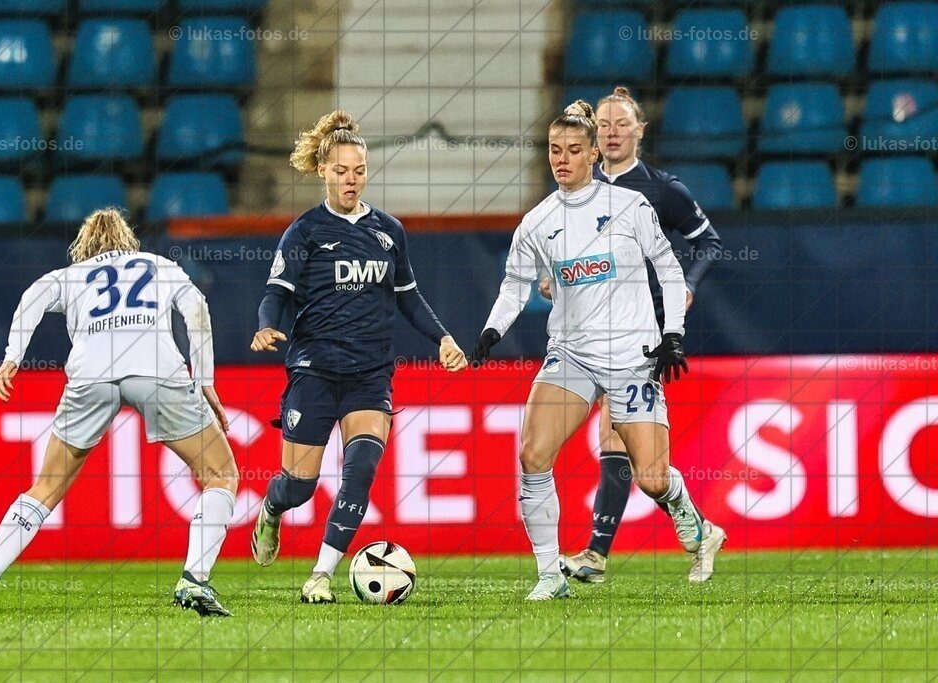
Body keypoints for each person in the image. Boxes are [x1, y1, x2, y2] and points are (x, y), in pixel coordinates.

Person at [470, 100, 726, 601]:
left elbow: (670, 269)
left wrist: (672, 333)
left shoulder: (633, 208)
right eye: (553, 150)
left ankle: (695, 524)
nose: (561, 159)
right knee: (533, 454)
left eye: (572, 150)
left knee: (652, 479)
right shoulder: (537, 223)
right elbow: (514, 287)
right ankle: (549, 577)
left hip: (633, 356)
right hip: (572, 354)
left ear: (592, 156)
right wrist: (490, 332)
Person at [0, 208, 239, 618]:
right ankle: (194, 580)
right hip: (157, 371)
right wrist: (204, 378)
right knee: (221, 474)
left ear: (83, 246)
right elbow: (197, 309)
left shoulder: (72, 275)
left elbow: (32, 296)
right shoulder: (159, 265)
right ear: (128, 240)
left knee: (45, 488)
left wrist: (13, 356)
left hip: (91, 377)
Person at [250, 110, 467, 604]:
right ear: (323, 171)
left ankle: (320, 575)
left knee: (361, 469)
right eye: (341, 170)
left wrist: (444, 339)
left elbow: (409, 297)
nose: (351, 179)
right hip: (315, 371)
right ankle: (271, 508)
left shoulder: (389, 231)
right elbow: (276, 293)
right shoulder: (304, 232)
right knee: (299, 487)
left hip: (370, 374)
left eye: (359, 171)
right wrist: (266, 326)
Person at [547, 86, 727, 585]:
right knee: (631, 455)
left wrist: (687, 286)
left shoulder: (662, 190)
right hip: (585, 330)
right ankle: (693, 533)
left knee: (622, 443)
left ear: (640, 131)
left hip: (640, 329)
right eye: (603, 124)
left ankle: (600, 554)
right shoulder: (577, 186)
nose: (611, 132)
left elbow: (707, 241)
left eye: (621, 123)